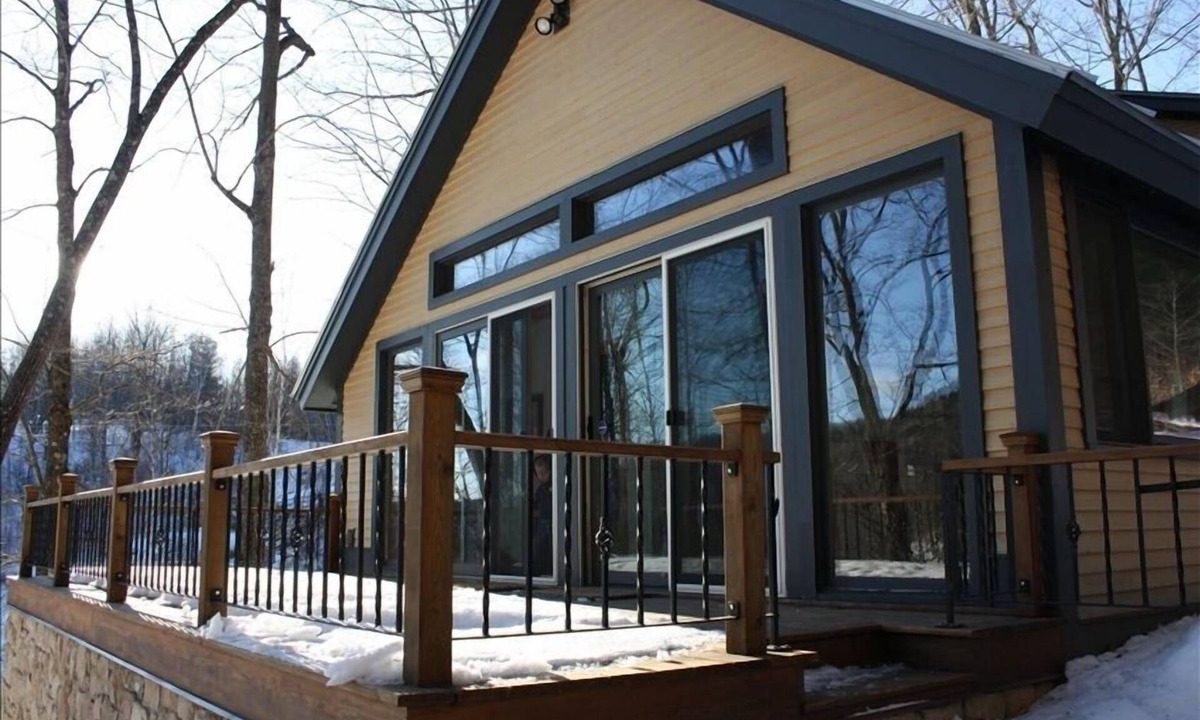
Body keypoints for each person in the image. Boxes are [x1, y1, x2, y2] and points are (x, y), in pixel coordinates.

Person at [531, 454, 554, 576]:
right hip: (542, 524)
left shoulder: (555, 486)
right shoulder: (541, 490)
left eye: (544, 473)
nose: (541, 476)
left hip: (552, 524)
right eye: (538, 474)